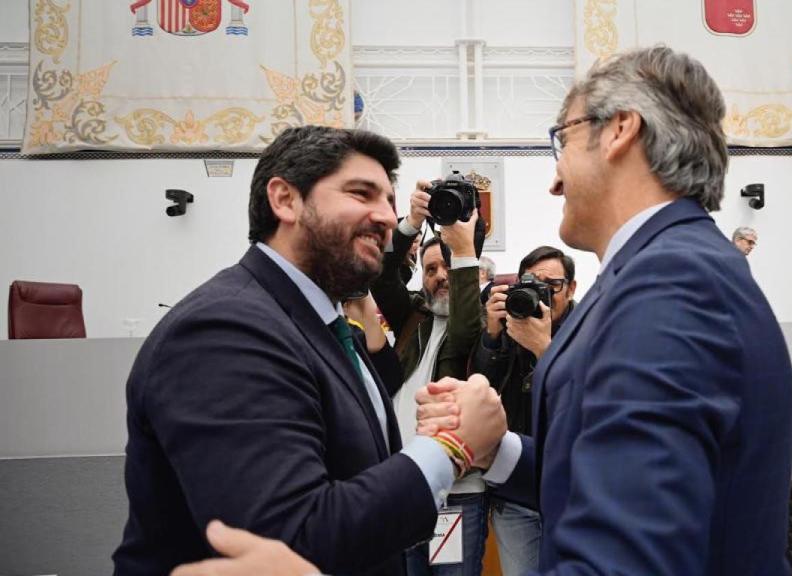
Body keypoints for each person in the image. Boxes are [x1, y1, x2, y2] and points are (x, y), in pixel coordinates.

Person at [172, 45, 792, 576]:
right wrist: (495, 447)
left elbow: (627, 552)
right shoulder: (663, 273)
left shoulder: (670, 284)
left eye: (562, 140)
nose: (554, 178)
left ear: (620, 132)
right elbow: (605, 474)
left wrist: (448, 449)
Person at [115, 125, 506, 576]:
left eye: (390, 202)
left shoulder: (328, 328)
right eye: (362, 194)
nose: (384, 216)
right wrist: (452, 447)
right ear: (284, 199)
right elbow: (288, 542)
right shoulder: (225, 329)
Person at [370, 191, 488, 576]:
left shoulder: (481, 326)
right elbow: (383, 277)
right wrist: (410, 224)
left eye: (448, 267)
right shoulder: (412, 316)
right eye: (431, 269)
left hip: (455, 496)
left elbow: (466, 326)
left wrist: (464, 250)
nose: (440, 277)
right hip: (404, 490)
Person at [472, 246, 577, 575]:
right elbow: (481, 387)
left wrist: (543, 349)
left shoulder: (588, 332)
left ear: (571, 288)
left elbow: (582, 399)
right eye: (533, 284)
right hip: (516, 490)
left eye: (552, 286)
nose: (542, 296)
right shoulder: (509, 328)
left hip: (570, 490)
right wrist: (491, 333)